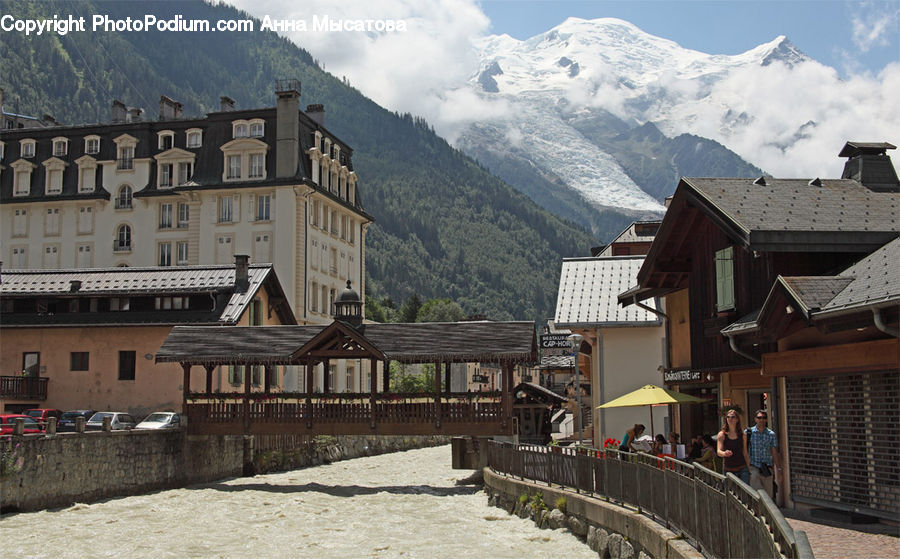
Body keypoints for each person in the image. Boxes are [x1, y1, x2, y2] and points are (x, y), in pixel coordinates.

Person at [747, 409, 782, 499]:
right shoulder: (748, 433)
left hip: (767, 468)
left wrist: (778, 468)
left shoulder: (771, 434)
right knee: (757, 495)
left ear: (766, 420)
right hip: (754, 467)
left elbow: (774, 452)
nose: (761, 420)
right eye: (759, 418)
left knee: (768, 497)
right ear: (755, 419)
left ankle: (765, 513)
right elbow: (744, 451)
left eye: (764, 418)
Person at [717, 409, 750, 484]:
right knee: (730, 494)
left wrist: (749, 470)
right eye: (728, 417)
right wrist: (724, 453)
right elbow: (718, 451)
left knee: (744, 493)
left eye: (732, 417)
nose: (730, 419)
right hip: (728, 470)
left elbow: (745, 452)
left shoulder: (742, 435)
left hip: (742, 468)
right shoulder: (722, 434)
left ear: (737, 419)